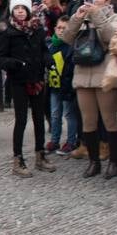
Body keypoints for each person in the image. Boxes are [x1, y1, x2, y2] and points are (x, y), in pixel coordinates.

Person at [62, 0, 117, 179]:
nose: (94, 1)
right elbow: (66, 38)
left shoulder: (116, 17)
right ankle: (93, 161)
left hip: (104, 73)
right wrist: (77, 17)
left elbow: (111, 38)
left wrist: (97, 15)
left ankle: (115, 161)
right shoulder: (83, 19)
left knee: (109, 120)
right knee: (88, 122)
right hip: (82, 74)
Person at [0, 0, 55, 177]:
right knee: (21, 120)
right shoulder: (9, 32)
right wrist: (13, 64)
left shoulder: (37, 29)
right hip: (19, 80)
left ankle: (40, 155)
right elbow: (1, 57)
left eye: (23, 8)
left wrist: (49, 60)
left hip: (36, 78)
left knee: (39, 118)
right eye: (17, 8)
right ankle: (18, 159)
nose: (20, 12)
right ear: (12, 11)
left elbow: (44, 50)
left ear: (29, 10)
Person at [47, 15, 78, 155]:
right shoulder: (51, 45)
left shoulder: (70, 46)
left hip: (66, 86)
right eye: (58, 28)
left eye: (64, 28)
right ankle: (54, 140)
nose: (60, 31)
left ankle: (71, 142)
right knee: (55, 114)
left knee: (69, 114)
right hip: (54, 85)